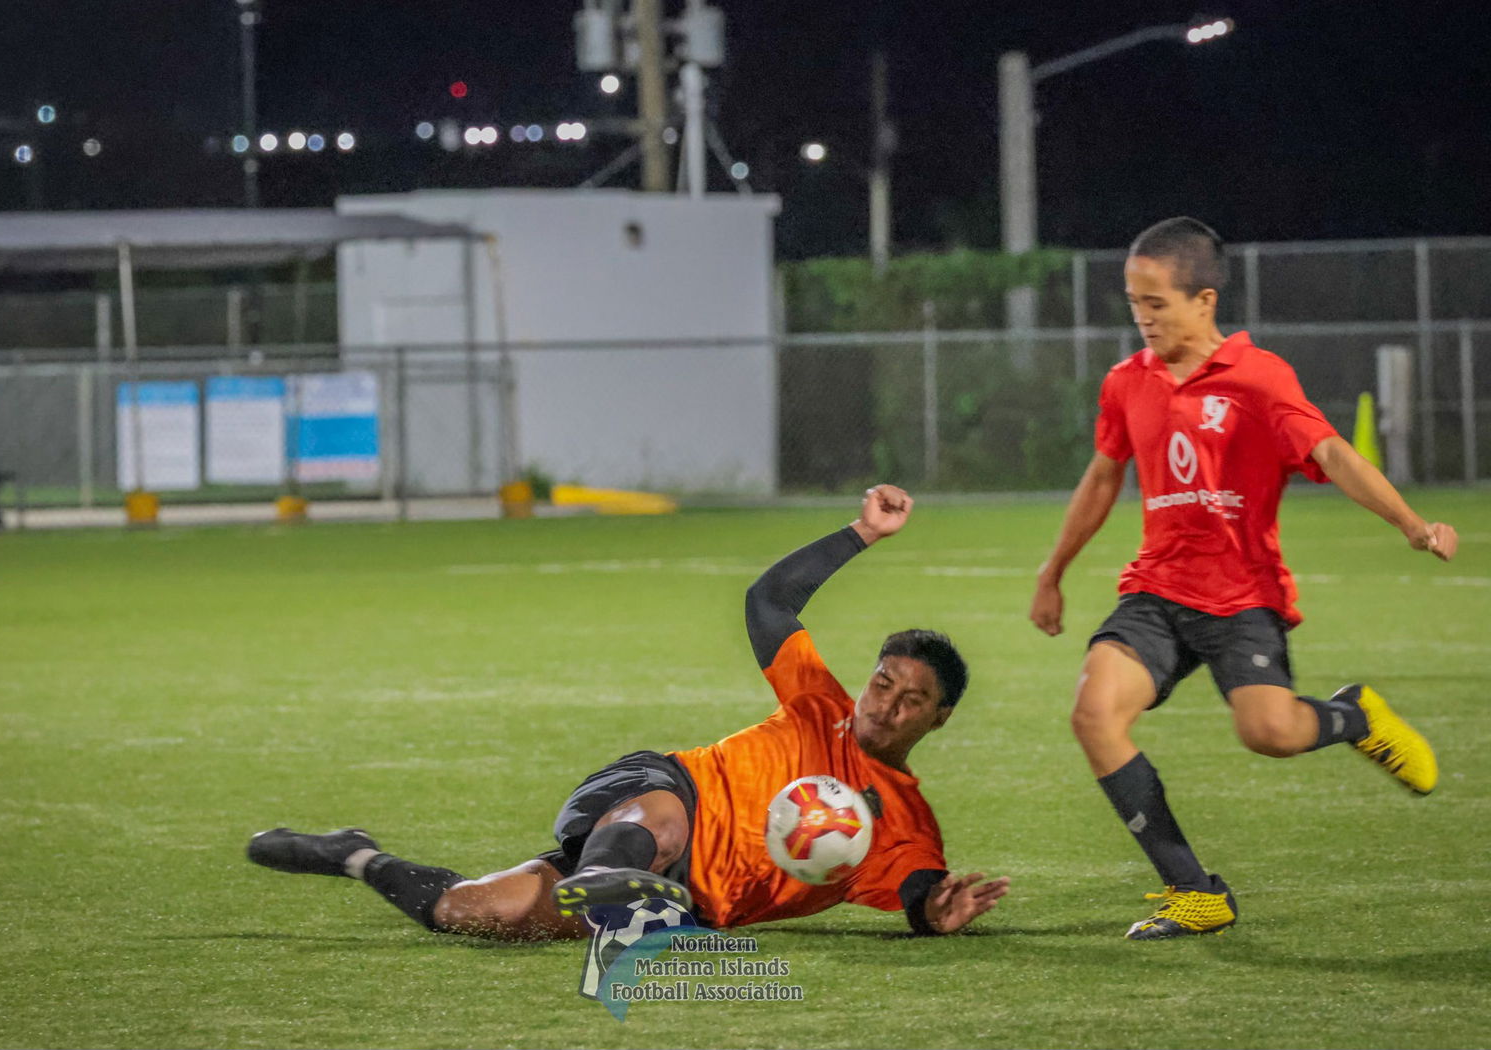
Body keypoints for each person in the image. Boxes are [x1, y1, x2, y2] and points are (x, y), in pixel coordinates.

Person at [248, 484, 1009, 939]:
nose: (889, 705)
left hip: (685, 902)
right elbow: (768, 600)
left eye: (914, 701)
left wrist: (931, 914)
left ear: (937, 721)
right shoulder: (819, 705)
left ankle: (354, 853)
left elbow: (916, 889)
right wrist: (862, 532)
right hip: (655, 791)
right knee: (662, 824)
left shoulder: (906, 821)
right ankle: (613, 885)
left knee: (474, 913)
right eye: (884, 682)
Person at [1029, 217, 1458, 941]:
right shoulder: (1126, 382)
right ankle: (1193, 893)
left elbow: (1332, 453)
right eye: (1133, 302)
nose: (1142, 317)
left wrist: (1411, 524)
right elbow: (1104, 476)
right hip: (1156, 591)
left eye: (1156, 302)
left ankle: (1355, 718)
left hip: (1241, 597)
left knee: (1270, 733)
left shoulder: (1260, 377)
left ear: (1204, 300)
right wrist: (1054, 571)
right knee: (1094, 713)